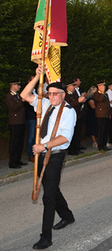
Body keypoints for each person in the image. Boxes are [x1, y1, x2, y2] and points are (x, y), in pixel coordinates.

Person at [20, 65, 76, 250]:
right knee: (51, 187)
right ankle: (67, 216)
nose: (51, 96)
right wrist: (37, 77)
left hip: (55, 155)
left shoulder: (69, 111)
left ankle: (46, 237)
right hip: (40, 154)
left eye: (55, 93)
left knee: (48, 196)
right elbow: (25, 95)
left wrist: (43, 145)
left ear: (63, 94)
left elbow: (65, 137)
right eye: (49, 93)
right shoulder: (44, 104)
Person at [5, 78, 27, 169]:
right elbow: (13, 107)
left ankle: (18, 159)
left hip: (21, 121)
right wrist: (21, 101)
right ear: (13, 85)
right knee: (14, 142)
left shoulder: (17, 95)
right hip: (14, 123)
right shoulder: (9, 96)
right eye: (18, 85)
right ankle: (12, 162)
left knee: (20, 142)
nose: (19, 86)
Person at [64, 80, 86, 155]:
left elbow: (77, 104)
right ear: (68, 87)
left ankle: (77, 148)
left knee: (77, 133)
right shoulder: (66, 95)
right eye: (72, 86)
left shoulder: (74, 94)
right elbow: (68, 105)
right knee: (72, 134)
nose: (74, 87)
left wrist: (81, 102)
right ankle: (71, 150)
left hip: (77, 115)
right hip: (71, 117)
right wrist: (78, 101)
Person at [93, 80, 111, 151]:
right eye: (102, 85)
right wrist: (102, 92)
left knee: (106, 130)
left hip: (106, 114)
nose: (104, 87)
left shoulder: (105, 94)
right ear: (99, 86)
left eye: (104, 85)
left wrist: (109, 114)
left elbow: (108, 104)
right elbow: (100, 99)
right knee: (102, 130)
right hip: (101, 115)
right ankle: (100, 146)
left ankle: (104, 144)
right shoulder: (96, 94)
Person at [73, 77, 87, 150]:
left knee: (79, 129)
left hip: (80, 110)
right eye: (79, 81)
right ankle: (75, 146)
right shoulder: (73, 91)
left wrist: (83, 97)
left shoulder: (79, 90)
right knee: (76, 130)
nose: (80, 82)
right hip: (76, 112)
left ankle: (79, 144)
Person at [24, 75, 36, 162]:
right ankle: (30, 155)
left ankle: (35, 153)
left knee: (36, 136)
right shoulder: (27, 91)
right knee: (31, 137)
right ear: (29, 81)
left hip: (36, 116)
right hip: (30, 116)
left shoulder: (35, 90)